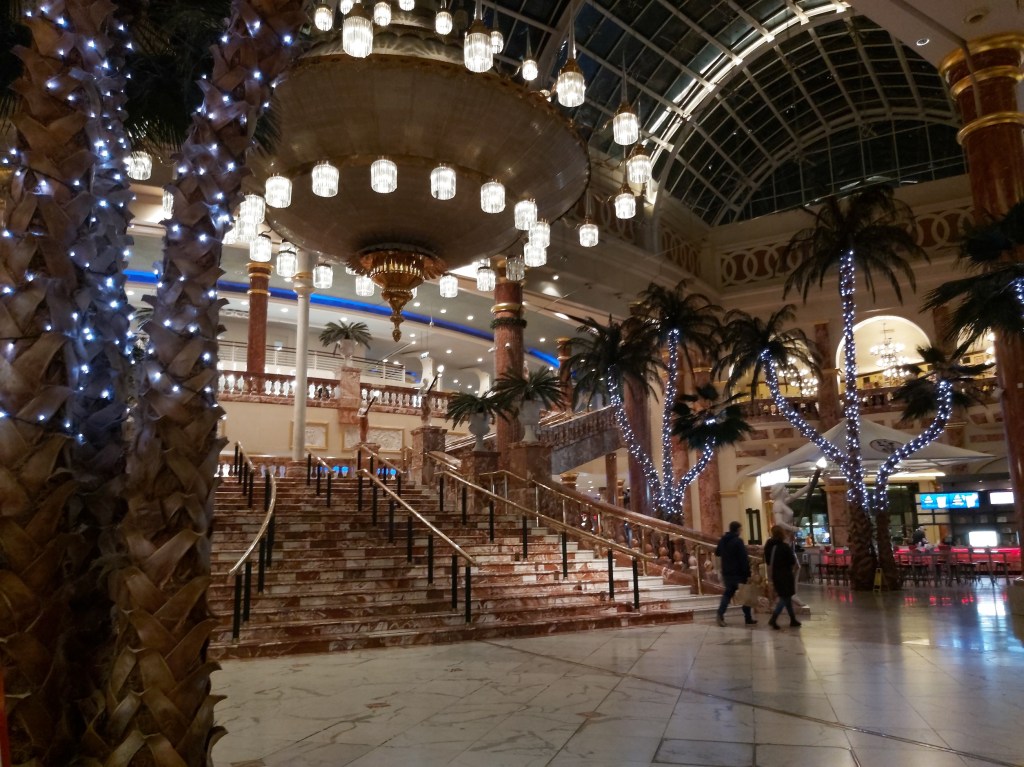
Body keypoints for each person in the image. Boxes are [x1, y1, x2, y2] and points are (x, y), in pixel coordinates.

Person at [715, 521, 756, 627]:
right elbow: (743, 558)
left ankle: (720, 613)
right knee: (745, 594)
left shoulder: (723, 540)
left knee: (728, 594)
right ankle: (748, 618)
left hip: (727, 572)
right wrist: (747, 573)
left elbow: (717, 552)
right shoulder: (738, 541)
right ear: (737, 529)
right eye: (741, 529)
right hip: (738, 573)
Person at [764, 524, 801, 630]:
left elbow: (767, 560)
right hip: (785, 574)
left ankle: (793, 619)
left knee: (787, 598)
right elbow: (792, 561)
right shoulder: (784, 547)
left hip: (775, 574)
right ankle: (773, 618)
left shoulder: (769, 545)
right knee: (784, 598)